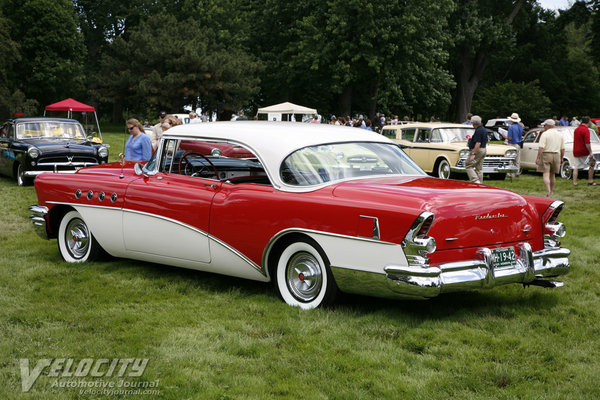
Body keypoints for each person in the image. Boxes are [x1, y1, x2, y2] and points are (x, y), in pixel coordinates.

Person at [535, 119, 565, 197]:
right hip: (557, 155)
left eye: (544, 125)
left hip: (546, 154)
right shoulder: (560, 134)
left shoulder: (545, 134)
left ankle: (548, 191)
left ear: (548, 126)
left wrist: (538, 157)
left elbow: (541, 147)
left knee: (546, 174)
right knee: (552, 174)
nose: (544, 127)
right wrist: (562, 158)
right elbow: (563, 148)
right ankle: (551, 190)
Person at [573, 116, 597, 186]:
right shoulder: (586, 130)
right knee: (592, 164)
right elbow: (587, 142)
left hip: (576, 150)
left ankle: (575, 182)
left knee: (576, 167)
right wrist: (590, 152)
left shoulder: (576, 129)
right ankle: (590, 180)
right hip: (584, 151)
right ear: (588, 122)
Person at [466, 115, 487, 183]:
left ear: (473, 123)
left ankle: (475, 180)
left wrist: (473, 154)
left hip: (478, 150)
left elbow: (478, 143)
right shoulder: (483, 129)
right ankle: (480, 184)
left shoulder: (478, 131)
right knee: (479, 168)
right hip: (484, 149)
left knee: (468, 164)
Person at [503, 112, 524, 177]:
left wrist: (504, 136)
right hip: (518, 144)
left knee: (510, 159)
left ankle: (510, 173)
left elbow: (510, 138)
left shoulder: (511, 127)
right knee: (517, 159)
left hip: (512, 144)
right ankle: (517, 172)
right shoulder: (520, 126)